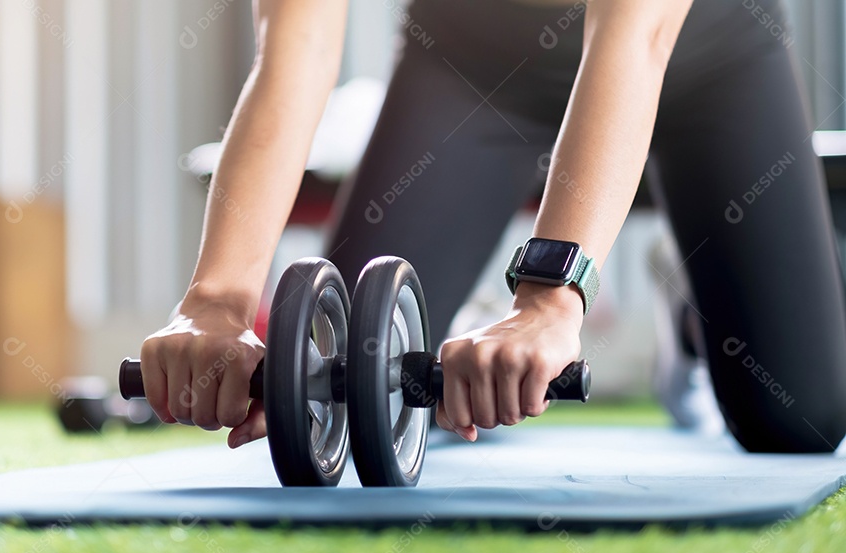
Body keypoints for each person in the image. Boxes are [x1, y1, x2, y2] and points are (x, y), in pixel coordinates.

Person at [140, 0, 846, 454]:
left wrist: (549, 301)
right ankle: (465, 315)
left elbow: (636, 38)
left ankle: (696, 319)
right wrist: (216, 299)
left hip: (707, 57)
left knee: (800, 418)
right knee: (351, 386)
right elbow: (295, 52)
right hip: (472, 67)